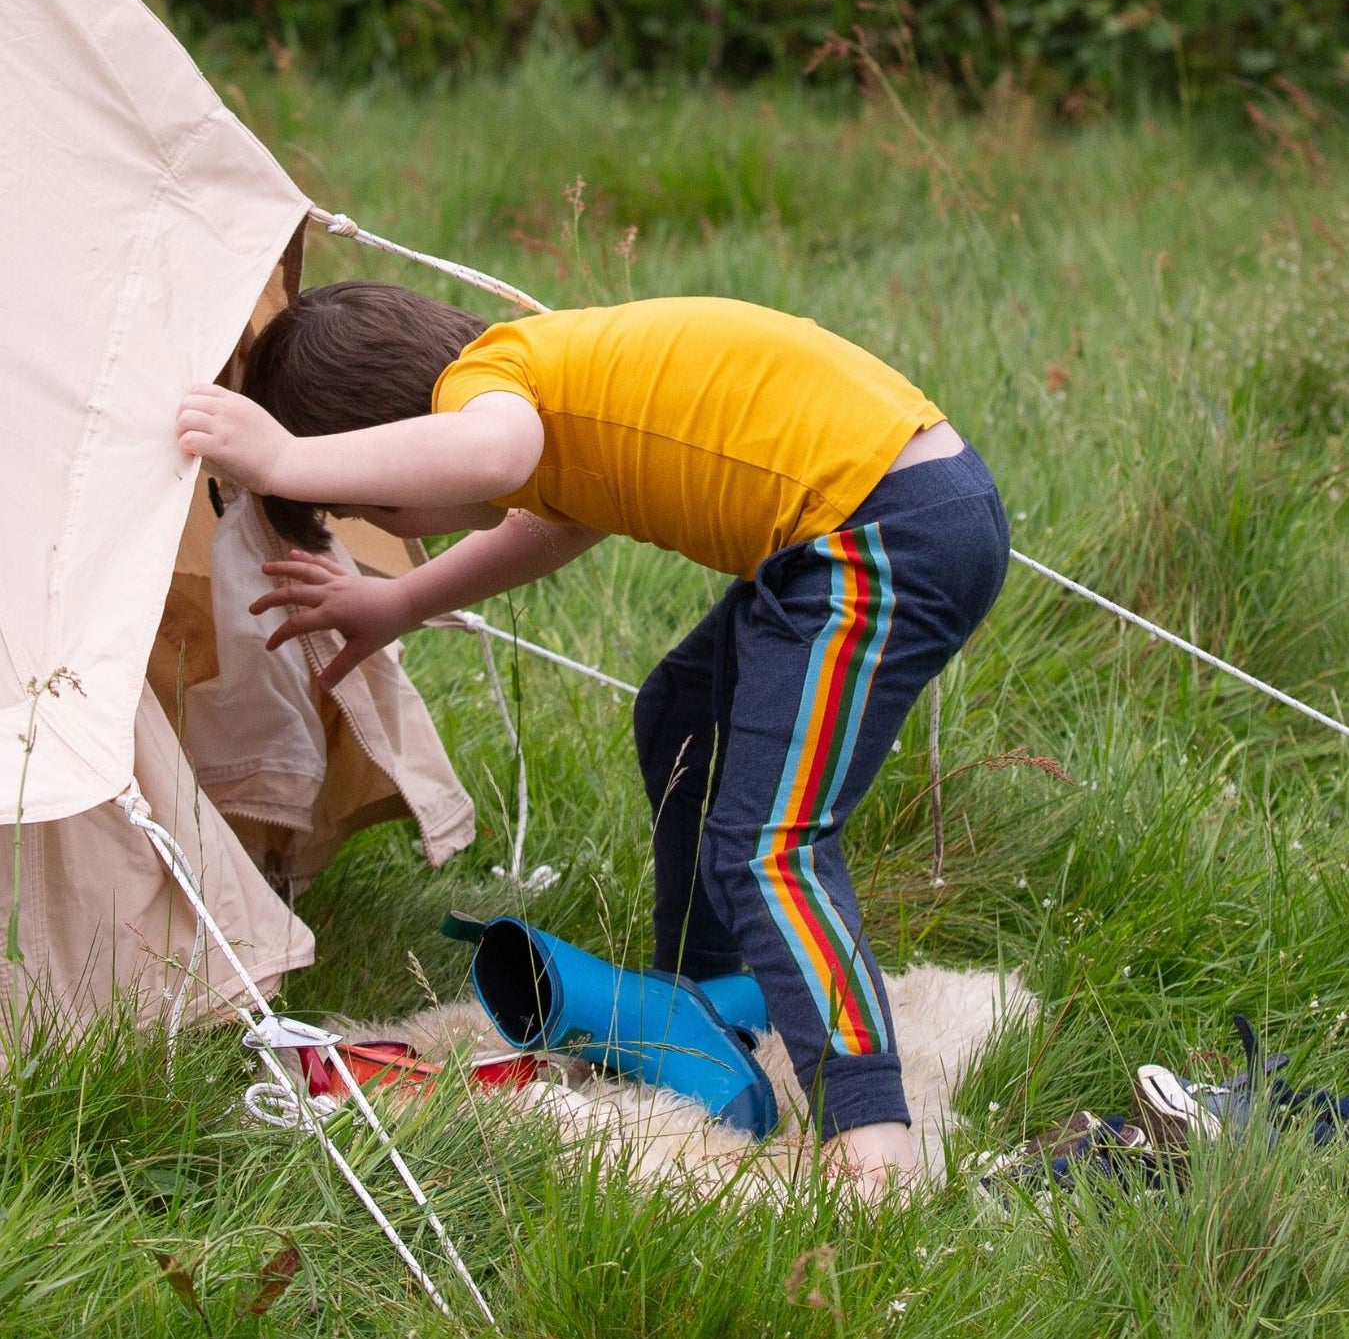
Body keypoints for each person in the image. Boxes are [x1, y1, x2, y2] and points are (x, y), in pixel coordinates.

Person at [176, 282, 1010, 1197]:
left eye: (379, 505)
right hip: (867, 521)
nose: (389, 524)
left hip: (883, 532)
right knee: (681, 716)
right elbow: (558, 519)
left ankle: (874, 1147)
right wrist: (401, 601)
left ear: (398, 426)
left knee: (770, 845)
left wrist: (288, 456)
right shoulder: (544, 390)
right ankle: (697, 995)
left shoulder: (490, 387)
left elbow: (491, 450)